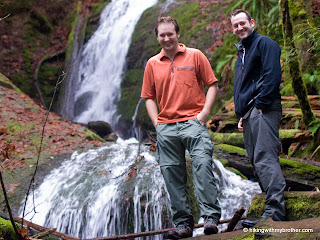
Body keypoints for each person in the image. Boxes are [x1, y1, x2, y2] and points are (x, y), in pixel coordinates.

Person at [140, 16, 221, 238]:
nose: (166, 38)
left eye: (170, 34)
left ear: (178, 34)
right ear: (158, 37)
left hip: (193, 122)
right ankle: (184, 224)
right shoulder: (152, 64)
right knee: (171, 174)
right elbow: (148, 97)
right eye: (162, 35)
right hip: (166, 127)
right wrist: (156, 122)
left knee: (202, 164)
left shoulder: (195, 55)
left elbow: (212, 84)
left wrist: (204, 114)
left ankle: (211, 218)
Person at [230, 9, 286, 227]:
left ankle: (275, 214)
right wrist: (242, 114)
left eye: (243, 23)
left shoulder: (265, 43)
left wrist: (260, 104)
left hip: (264, 108)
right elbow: (245, 86)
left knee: (264, 156)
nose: (240, 28)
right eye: (235, 25)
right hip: (250, 112)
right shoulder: (242, 52)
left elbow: (273, 74)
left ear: (251, 22)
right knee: (255, 159)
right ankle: (270, 209)